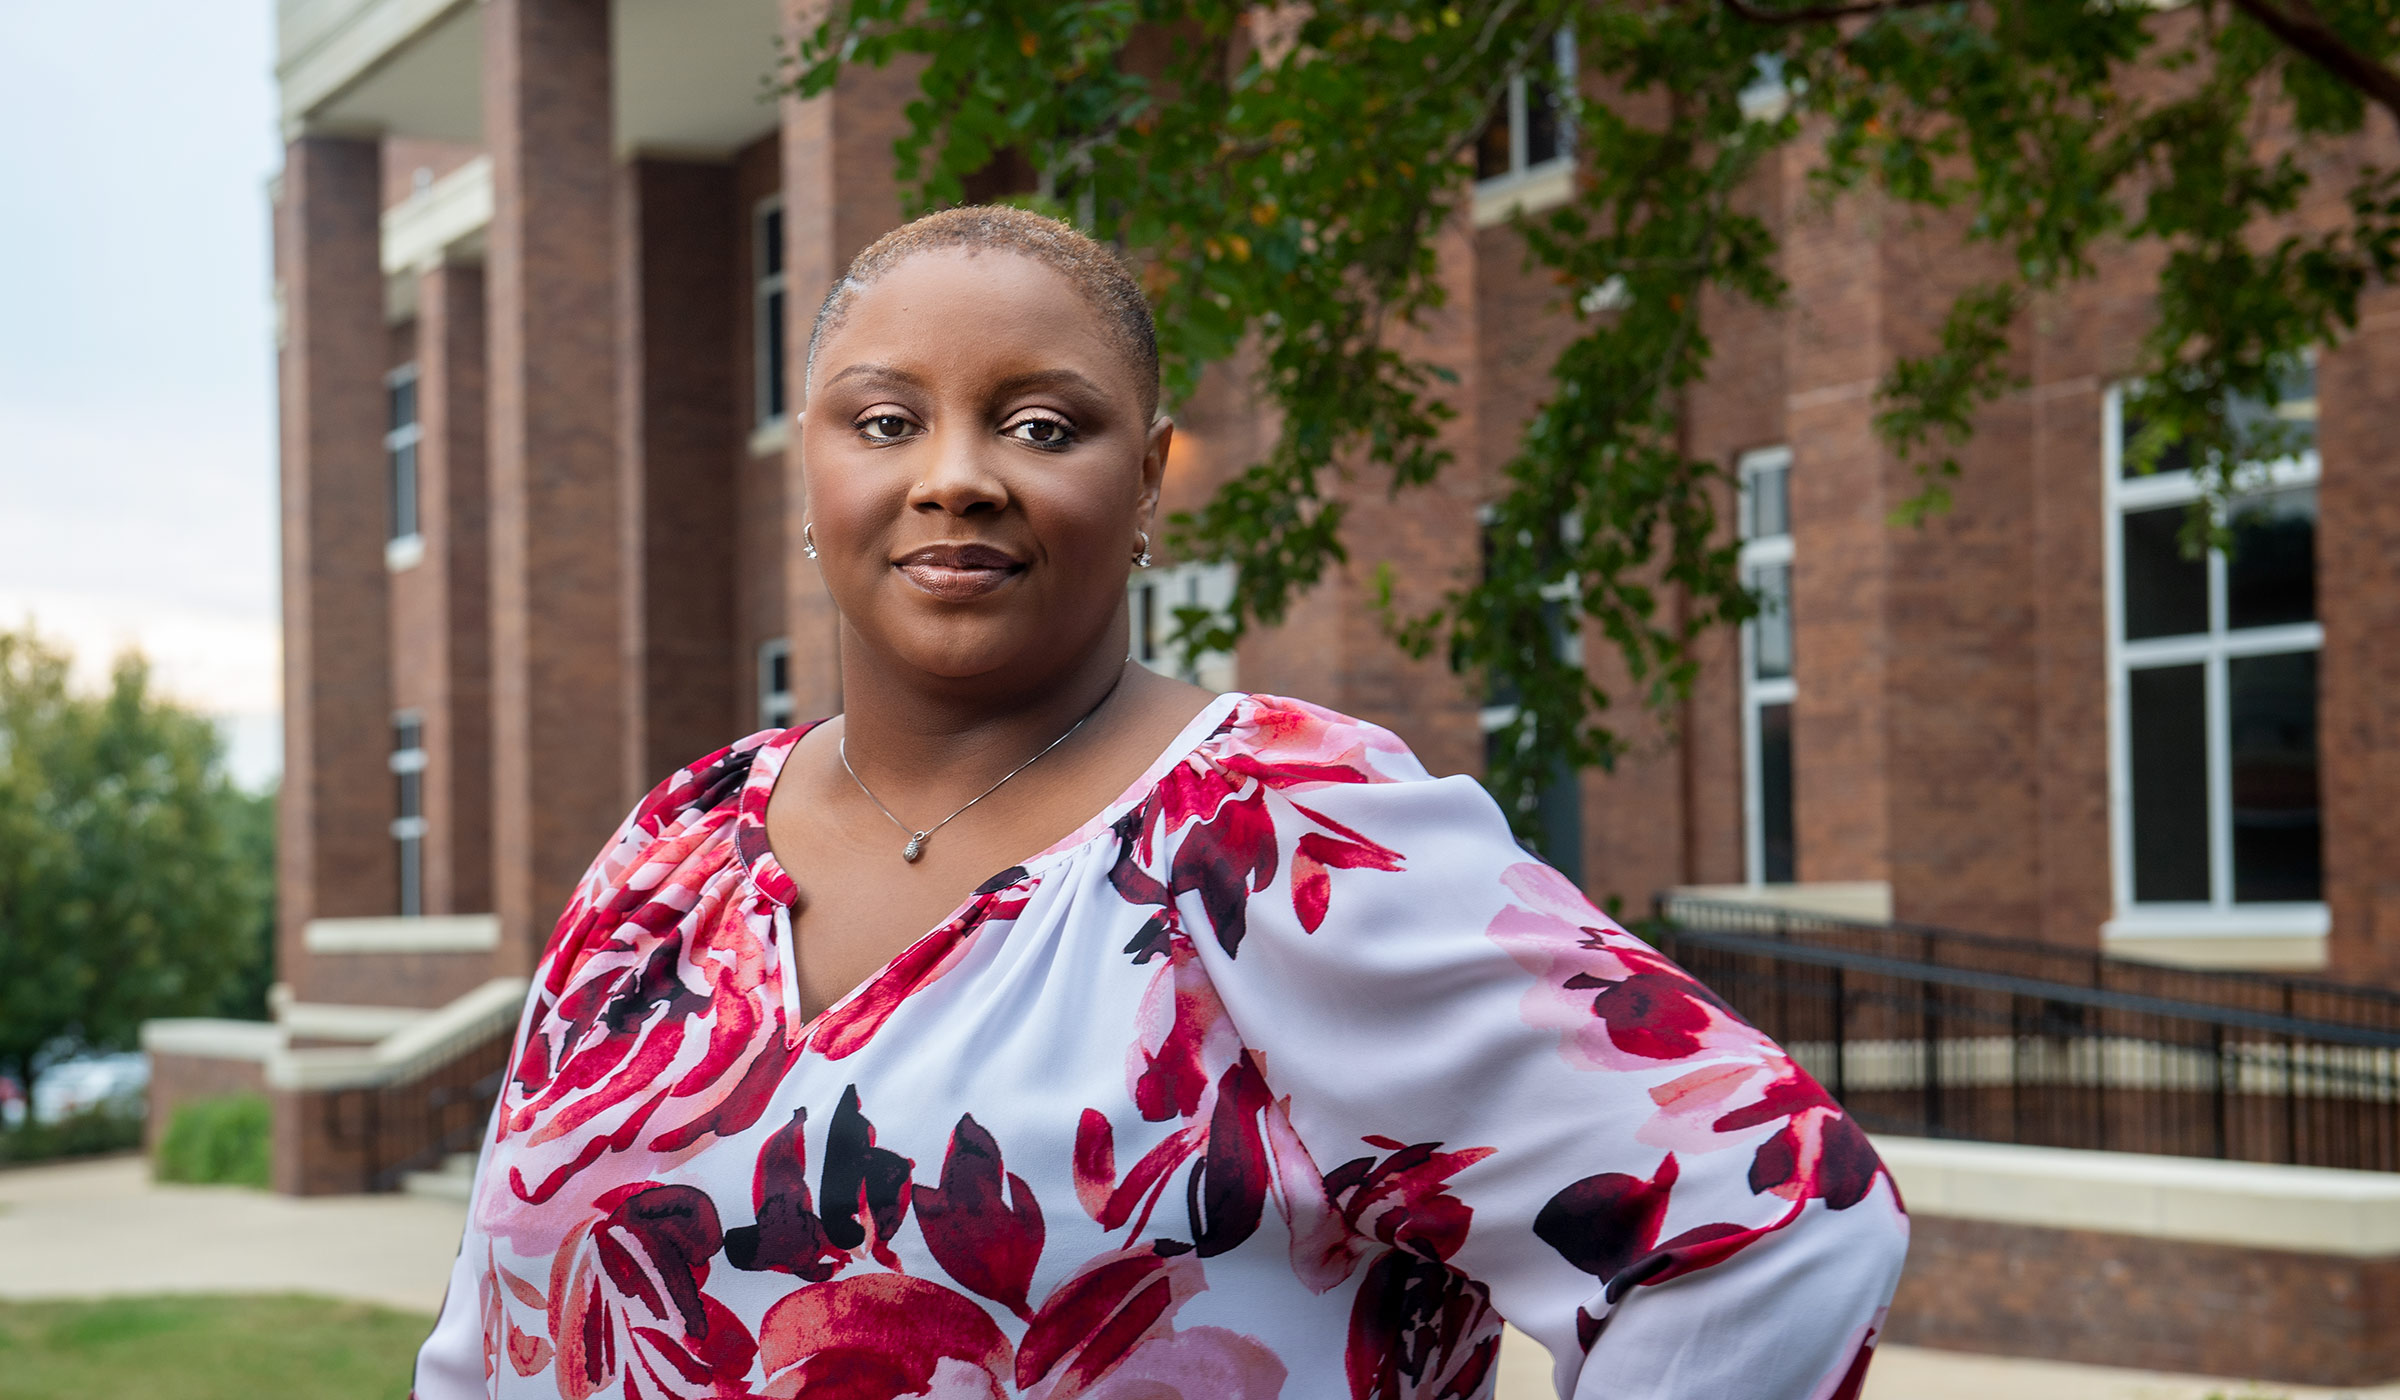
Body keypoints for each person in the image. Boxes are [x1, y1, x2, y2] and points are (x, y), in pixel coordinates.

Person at [412, 206, 1907, 1400]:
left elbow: (1776, 1230)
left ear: (1149, 488)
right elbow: (492, 1337)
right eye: (883, 422)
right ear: (808, 481)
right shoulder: (673, 850)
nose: (955, 477)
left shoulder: (1282, 838)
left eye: (1043, 426)